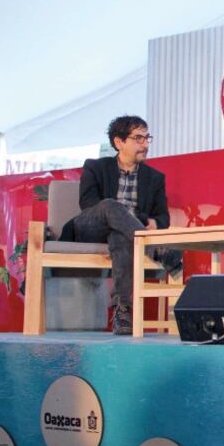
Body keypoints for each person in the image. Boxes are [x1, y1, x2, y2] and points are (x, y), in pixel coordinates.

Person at [59, 115, 182, 335]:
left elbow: (162, 218)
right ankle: (159, 252)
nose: (145, 144)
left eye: (147, 138)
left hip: (124, 234)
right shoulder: (95, 166)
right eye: (138, 138)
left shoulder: (155, 178)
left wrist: (152, 221)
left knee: (120, 236)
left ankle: (123, 313)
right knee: (110, 206)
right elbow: (88, 204)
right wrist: (131, 216)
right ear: (119, 142)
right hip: (91, 227)